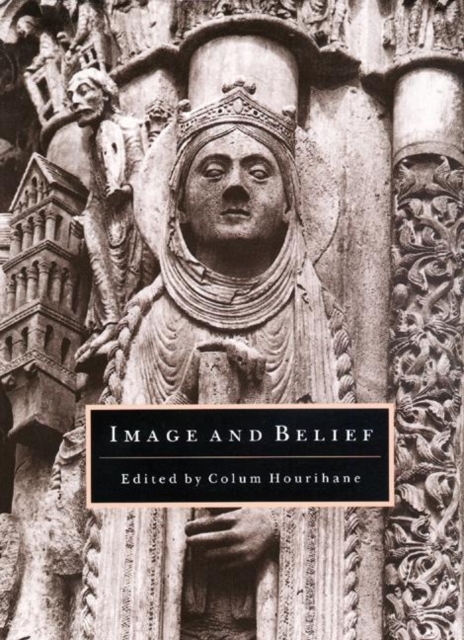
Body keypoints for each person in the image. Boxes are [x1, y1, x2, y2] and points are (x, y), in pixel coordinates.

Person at [103, 83, 354, 639]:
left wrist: (277, 518)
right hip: (171, 608)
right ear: (179, 204)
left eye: (259, 172)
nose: (236, 186)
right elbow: (120, 483)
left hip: (276, 613)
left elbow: (345, 481)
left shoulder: (312, 318)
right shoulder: (152, 321)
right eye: (213, 171)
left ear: (289, 204)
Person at [67, 68, 154, 365]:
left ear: (105, 94)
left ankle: (126, 324)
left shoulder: (127, 127)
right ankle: (109, 324)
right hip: (105, 217)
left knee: (126, 273)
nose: (74, 101)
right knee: (100, 264)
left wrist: (126, 189)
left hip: (130, 215)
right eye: (70, 96)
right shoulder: (93, 140)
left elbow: (144, 171)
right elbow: (96, 186)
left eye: (83, 92)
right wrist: (86, 216)